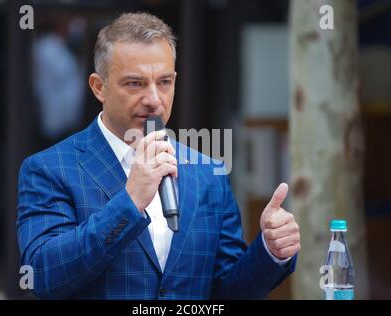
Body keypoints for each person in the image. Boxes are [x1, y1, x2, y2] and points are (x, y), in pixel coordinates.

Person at [17, 12, 301, 300]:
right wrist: (129, 203)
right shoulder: (49, 169)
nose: (154, 99)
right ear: (98, 87)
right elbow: (43, 275)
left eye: (164, 82)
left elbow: (226, 290)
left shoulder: (208, 173)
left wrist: (269, 251)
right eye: (135, 83)